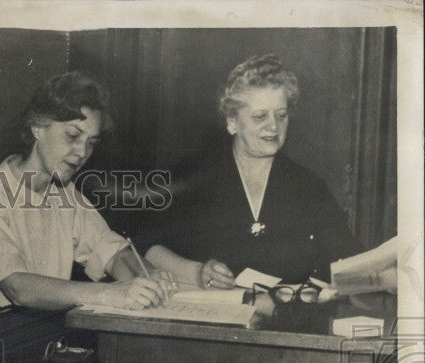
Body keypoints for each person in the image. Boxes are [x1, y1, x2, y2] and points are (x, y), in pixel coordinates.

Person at [0, 71, 175, 363]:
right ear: (38, 127)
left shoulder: (65, 194)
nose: (82, 153)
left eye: (91, 142)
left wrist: (146, 278)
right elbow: (19, 288)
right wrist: (112, 293)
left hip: (43, 337)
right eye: (72, 136)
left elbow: (112, 250)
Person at [140, 53, 362, 288]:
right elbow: (147, 244)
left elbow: (348, 257)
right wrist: (196, 272)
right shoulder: (193, 175)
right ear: (233, 121)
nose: (274, 126)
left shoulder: (307, 186)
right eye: (259, 116)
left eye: (281, 115)